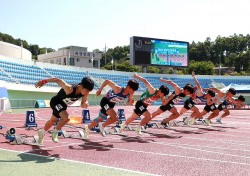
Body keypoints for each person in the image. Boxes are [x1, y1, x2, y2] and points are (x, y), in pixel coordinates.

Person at [35, 77, 94, 144]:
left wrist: (85, 104)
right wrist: (43, 81)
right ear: (81, 86)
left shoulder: (85, 92)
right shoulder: (69, 88)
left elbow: (83, 102)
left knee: (53, 120)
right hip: (55, 102)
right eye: (87, 91)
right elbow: (57, 80)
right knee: (66, 118)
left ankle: (42, 132)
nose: (87, 93)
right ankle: (55, 132)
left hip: (63, 105)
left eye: (88, 91)